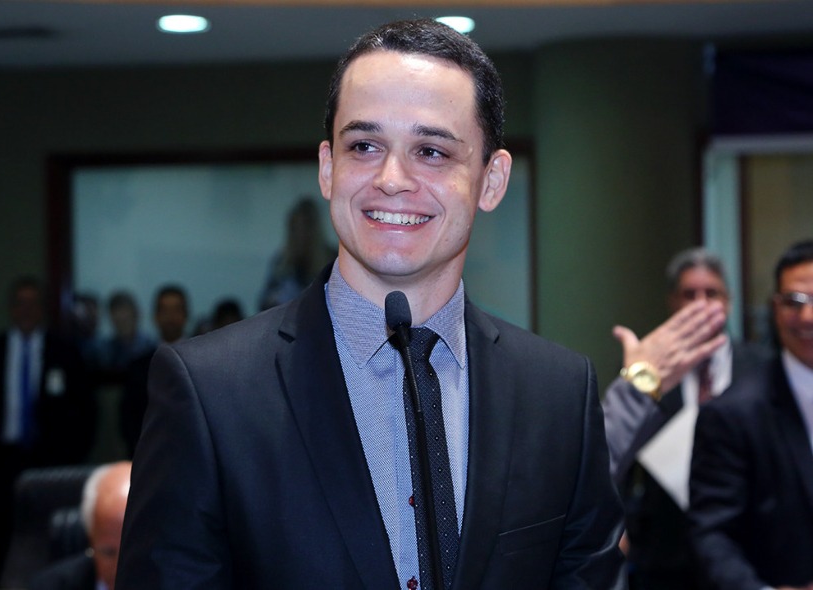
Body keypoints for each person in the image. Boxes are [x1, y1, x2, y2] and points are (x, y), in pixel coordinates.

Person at [117, 19, 624, 589]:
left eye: (431, 151)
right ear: (328, 167)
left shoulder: (558, 394)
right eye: (364, 146)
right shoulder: (209, 392)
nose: (392, 179)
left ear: (492, 181)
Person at [602, 247, 771, 589]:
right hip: (663, 553)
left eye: (711, 293)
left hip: (747, 551)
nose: (700, 304)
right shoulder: (650, 371)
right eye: (689, 294)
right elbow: (615, 457)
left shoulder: (762, 368)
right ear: (672, 302)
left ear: (728, 301)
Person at [688, 239, 813, 590]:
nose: (807, 316)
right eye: (794, 302)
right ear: (775, 308)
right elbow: (712, 535)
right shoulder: (732, 413)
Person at [0, 276, 96, 588]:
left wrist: (70, 458)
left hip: (51, 464)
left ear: (43, 308)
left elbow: (85, 412)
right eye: (20, 303)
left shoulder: (65, 352)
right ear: (11, 308)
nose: (26, 310)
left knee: (51, 543)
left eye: (33, 303)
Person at [29, 461, 132, 590]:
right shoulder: (49, 586)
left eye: (131, 553)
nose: (119, 568)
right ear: (91, 538)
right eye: (109, 552)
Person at [119, 284, 189, 457]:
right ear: (156, 316)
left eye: (176, 310)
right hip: (149, 456)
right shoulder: (138, 367)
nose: (170, 317)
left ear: (186, 315)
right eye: (165, 310)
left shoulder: (204, 361)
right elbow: (129, 419)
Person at [258, 196, 337, 311]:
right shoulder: (281, 263)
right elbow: (264, 304)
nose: (300, 234)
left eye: (305, 228)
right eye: (295, 228)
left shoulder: (333, 260)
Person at [95, 290, 155, 382]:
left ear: (136, 315)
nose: (123, 325)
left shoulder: (150, 347)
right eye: (118, 321)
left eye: (126, 319)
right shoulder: (103, 351)